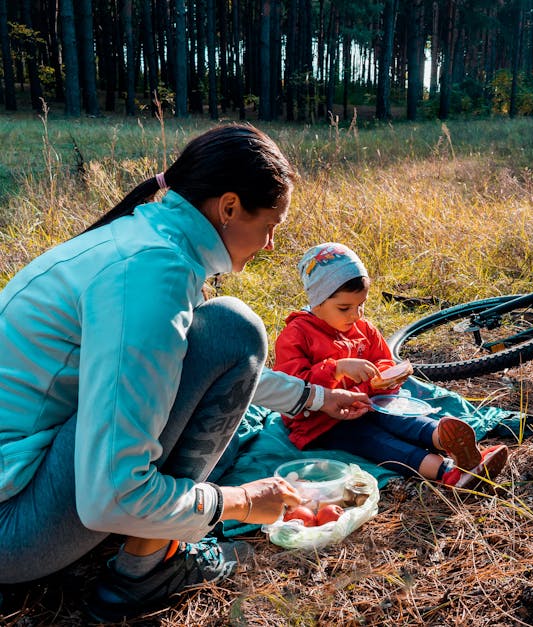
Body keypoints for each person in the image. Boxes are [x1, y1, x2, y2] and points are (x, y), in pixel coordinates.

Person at [0, 125, 370, 622]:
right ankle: (147, 570)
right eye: (271, 224)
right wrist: (237, 501)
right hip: (12, 532)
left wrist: (313, 399)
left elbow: (176, 364)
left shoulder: (141, 239)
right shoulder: (153, 271)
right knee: (234, 329)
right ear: (231, 207)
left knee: (225, 335)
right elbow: (111, 495)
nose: (270, 243)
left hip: (17, 492)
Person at [273, 242, 510, 491]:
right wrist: (336, 369)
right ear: (317, 300)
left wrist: (385, 377)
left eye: (361, 305)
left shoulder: (362, 328)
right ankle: (448, 473)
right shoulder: (296, 335)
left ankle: (451, 443)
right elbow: (292, 386)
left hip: (370, 403)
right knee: (376, 441)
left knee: (403, 419)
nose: (356, 315)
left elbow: (383, 359)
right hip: (322, 422)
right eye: (344, 308)